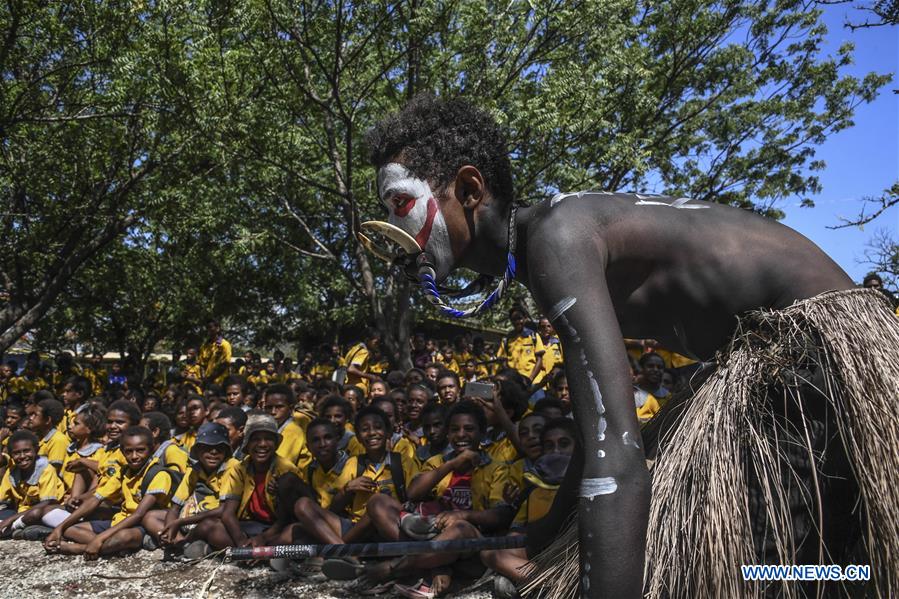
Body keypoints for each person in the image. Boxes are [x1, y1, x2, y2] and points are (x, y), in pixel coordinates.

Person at [366, 94, 899, 597]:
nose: (395, 225)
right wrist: (545, 539)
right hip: (785, 363)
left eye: (401, 202)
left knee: (770, 563)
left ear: (470, 188)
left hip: (813, 357)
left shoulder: (557, 239)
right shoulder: (550, 242)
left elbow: (615, 457)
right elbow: (595, 436)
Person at [44, 426, 176, 558]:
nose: (134, 456)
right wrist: (59, 528)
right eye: (129, 452)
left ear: (152, 448)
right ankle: (109, 547)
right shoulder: (124, 472)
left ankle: (80, 548)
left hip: (142, 526)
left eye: (140, 450)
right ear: (122, 452)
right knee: (70, 529)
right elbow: (96, 498)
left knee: (124, 537)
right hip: (121, 520)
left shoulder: (159, 474)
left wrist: (99, 538)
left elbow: (138, 514)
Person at [152, 422, 239, 559]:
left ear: (226, 451)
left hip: (211, 521)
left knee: (210, 526)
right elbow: (175, 507)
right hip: (188, 521)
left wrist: (179, 522)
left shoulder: (232, 467)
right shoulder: (194, 470)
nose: (214, 452)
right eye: (207, 448)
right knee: (150, 517)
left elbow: (224, 510)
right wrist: (170, 528)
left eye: (219, 448)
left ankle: (185, 545)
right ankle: (178, 542)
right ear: (198, 451)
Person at [0, 430, 67, 539]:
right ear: (11, 454)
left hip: (46, 510)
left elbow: (47, 502)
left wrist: (10, 520)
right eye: (16, 453)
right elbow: (3, 499)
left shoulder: (46, 469)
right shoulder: (12, 471)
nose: (22, 456)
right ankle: (19, 531)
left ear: (36, 450)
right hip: (21, 512)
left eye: (26, 451)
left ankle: (14, 529)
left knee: (34, 514)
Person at [28, 399, 68, 474]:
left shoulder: (58, 440)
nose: (31, 418)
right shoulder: (38, 438)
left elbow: (52, 472)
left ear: (47, 420)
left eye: (35, 415)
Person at [198, 319, 232, 387]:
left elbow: (225, 364)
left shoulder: (224, 345)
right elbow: (201, 365)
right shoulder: (204, 346)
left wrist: (210, 378)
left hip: (220, 383)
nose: (209, 330)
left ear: (217, 329)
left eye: (210, 327)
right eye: (207, 328)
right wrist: (204, 379)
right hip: (207, 383)